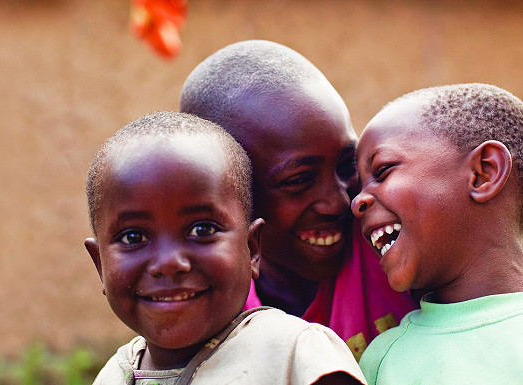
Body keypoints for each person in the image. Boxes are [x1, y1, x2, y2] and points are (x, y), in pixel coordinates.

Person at [84, 111, 367, 384]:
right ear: (100, 264)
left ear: (252, 249)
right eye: (133, 237)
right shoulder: (114, 375)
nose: (169, 262)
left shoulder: (297, 354)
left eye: (202, 230)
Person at [180, 40, 418, 360]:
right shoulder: (213, 316)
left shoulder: (394, 247)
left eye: (346, 164)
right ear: (228, 194)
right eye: (298, 181)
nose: (337, 203)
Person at [350, 83, 523, 384]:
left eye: (383, 171)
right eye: (359, 188)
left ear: (484, 172)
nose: (356, 202)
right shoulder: (383, 359)